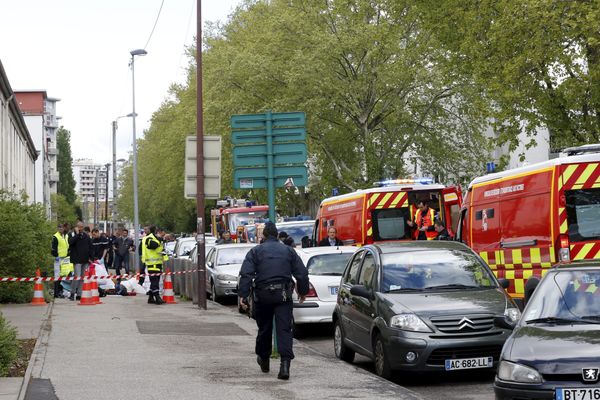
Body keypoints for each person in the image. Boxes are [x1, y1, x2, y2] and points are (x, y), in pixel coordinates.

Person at [238, 222, 309, 380]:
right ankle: (285, 365)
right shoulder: (289, 251)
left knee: (264, 328)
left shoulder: (255, 251)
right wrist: (303, 291)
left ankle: (264, 359)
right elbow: (302, 274)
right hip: (283, 294)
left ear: (263, 236)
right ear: (277, 235)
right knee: (284, 329)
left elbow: (246, 274)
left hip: (263, 295)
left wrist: (243, 295)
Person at [68, 222, 93, 301]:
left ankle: (79, 294)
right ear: (76, 227)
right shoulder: (72, 235)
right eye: (79, 227)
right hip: (77, 260)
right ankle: (72, 293)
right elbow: (70, 242)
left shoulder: (86, 236)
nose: (80, 228)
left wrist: (91, 258)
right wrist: (77, 234)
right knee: (77, 277)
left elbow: (90, 246)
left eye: (82, 227)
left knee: (82, 278)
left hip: (85, 260)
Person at [141, 225, 165, 305]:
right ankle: (157, 297)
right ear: (155, 231)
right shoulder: (149, 238)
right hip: (152, 263)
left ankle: (151, 298)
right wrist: (159, 240)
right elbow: (153, 246)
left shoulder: (153, 237)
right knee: (154, 281)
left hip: (157, 263)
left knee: (155, 280)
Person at [51, 223, 69, 298]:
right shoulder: (55, 236)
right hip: (58, 258)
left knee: (64, 275)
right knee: (57, 275)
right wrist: (56, 256)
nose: (61, 229)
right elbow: (53, 248)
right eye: (59, 228)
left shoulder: (66, 236)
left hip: (65, 259)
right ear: (58, 229)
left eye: (62, 228)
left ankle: (61, 291)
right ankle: (56, 293)